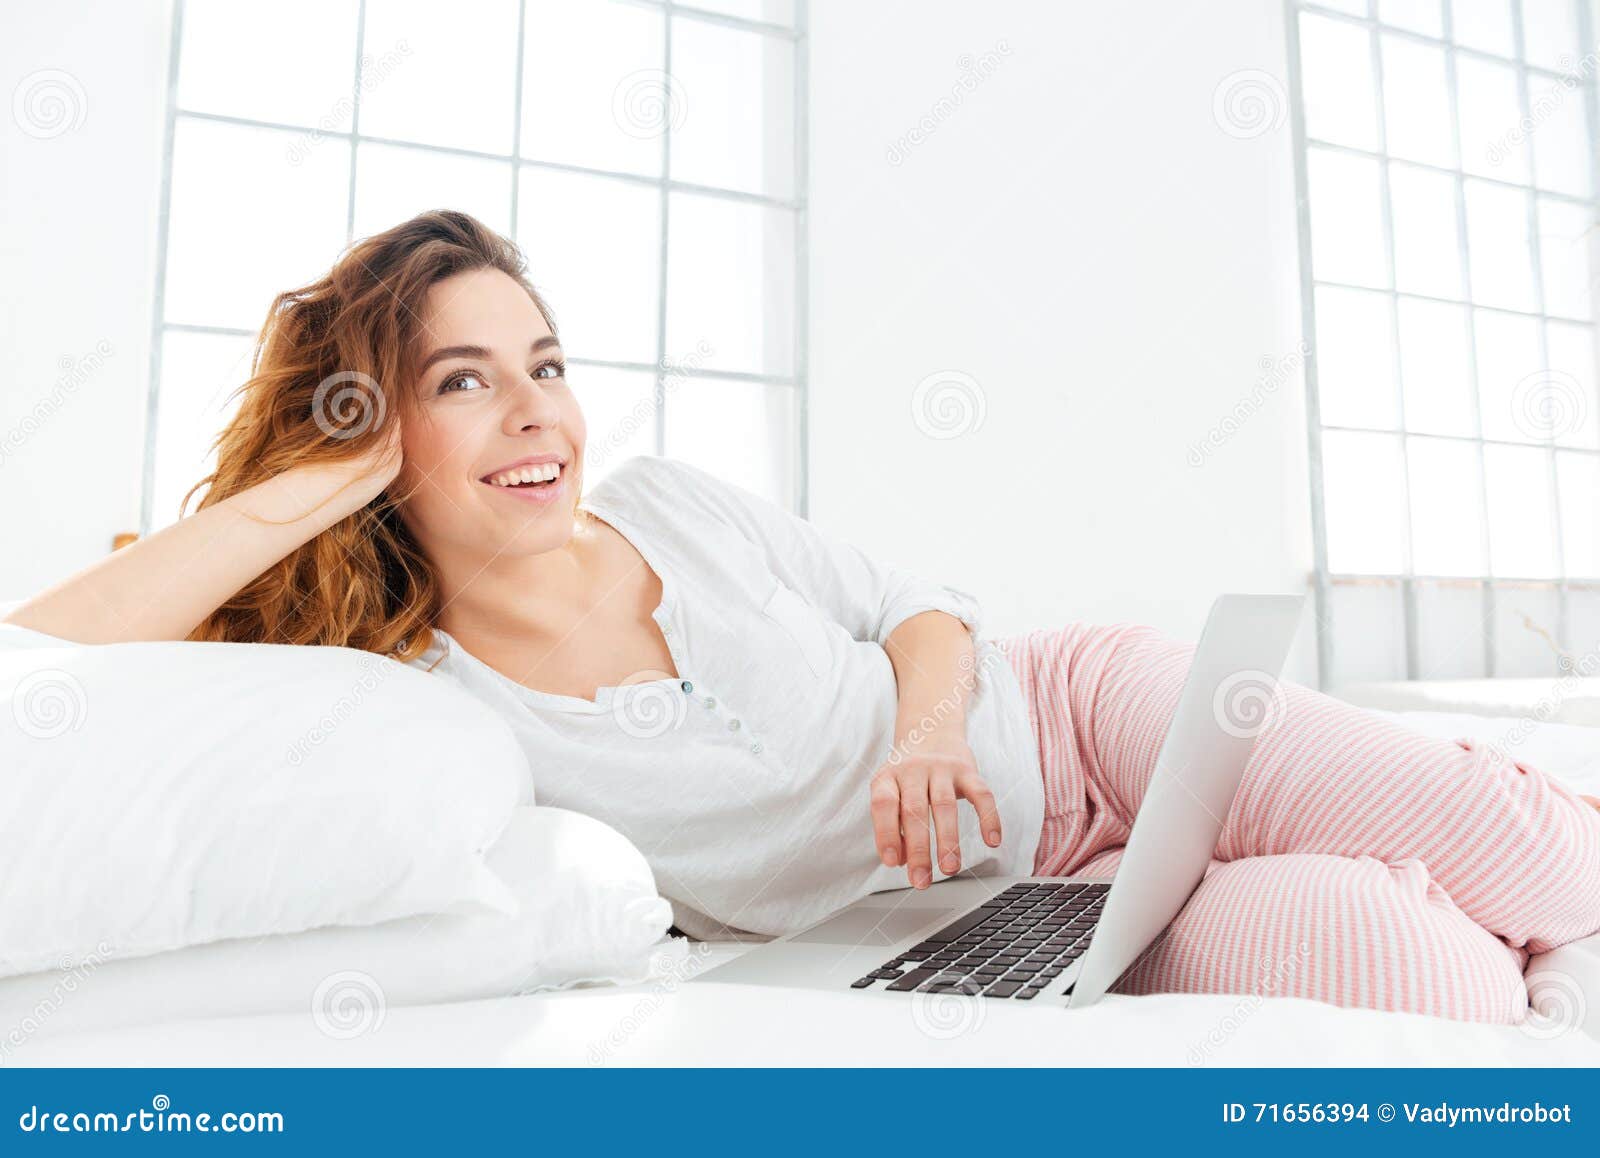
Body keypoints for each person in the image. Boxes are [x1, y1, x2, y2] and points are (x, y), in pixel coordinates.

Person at [9, 211, 1599, 1023]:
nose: (534, 414)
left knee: (1545, 859)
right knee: (1429, 977)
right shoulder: (417, 703)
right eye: (462, 381)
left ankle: (1448, 812)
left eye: (545, 362)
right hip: (1018, 915)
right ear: (377, 428)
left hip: (1081, 714)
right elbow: (44, 657)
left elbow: (917, 607)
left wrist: (920, 736)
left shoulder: (676, 501)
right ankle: (1378, 851)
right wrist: (309, 483)